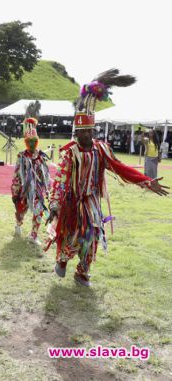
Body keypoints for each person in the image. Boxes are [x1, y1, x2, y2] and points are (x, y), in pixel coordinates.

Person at [46, 69, 169, 287]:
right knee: (73, 237)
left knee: (92, 236)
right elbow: (60, 180)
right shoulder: (70, 153)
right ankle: (63, 258)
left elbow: (120, 167)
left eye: (90, 131)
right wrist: (55, 205)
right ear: (76, 133)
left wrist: (145, 181)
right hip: (73, 203)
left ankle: (82, 272)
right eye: (83, 132)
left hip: (92, 201)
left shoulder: (100, 149)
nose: (87, 135)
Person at [11, 117, 50, 248]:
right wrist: (15, 191)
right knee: (20, 211)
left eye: (34, 141)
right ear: (26, 142)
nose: (32, 143)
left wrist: (46, 188)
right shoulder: (21, 156)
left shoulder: (41, 156)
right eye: (29, 141)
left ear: (37, 141)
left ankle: (33, 235)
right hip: (24, 190)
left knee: (38, 211)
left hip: (37, 191)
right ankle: (18, 224)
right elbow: (17, 174)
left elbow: (45, 173)